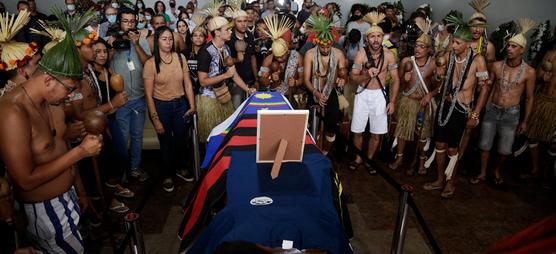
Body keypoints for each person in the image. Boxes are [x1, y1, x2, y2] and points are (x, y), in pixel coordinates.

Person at [0, 10, 102, 252]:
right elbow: (24, 180)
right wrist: (81, 153)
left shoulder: (53, 103)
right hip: (44, 210)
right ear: (47, 80)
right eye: (69, 89)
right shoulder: (12, 113)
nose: (70, 96)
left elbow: (61, 148)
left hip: (69, 198)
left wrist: (81, 190)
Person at [422, 17, 489, 198]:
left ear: (468, 44)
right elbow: (440, 81)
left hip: (462, 109)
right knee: (440, 144)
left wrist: (475, 114)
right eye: (453, 41)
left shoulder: (478, 60)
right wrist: (437, 81)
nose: (453, 45)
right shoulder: (449, 56)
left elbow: (484, 89)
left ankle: (451, 182)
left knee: (454, 149)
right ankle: (439, 179)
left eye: (458, 43)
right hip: (445, 104)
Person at [471, 19, 536, 185]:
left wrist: (525, 121)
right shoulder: (498, 66)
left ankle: (496, 169)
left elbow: (529, 97)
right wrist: (479, 109)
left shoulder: (529, 72)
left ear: (522, 50)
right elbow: (487, 87)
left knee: (505, 149)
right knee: (484, 144)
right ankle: (483, 172)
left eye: (514, 47)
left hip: (512, 113)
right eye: (508, 46)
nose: (509, 49)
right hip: (493, 109)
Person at [143, 26, 197, 192]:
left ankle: (181, 168)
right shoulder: (151, 64)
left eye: (170, 39)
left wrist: (192, 105)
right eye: (164, 39)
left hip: (180, 104)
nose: (168, 42)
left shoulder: (180, 58)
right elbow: (148, 94)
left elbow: (187, 83)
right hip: (161, 107)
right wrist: (156, 119)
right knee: (166, 143)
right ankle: (167, 174)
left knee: (181, 140)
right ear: (157, 41)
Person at [349, 12, 399, 173]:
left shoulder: (390, 55)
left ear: (382, 37)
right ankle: (357, 158)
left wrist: (392, 101)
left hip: (379, 95)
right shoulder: (361, 54)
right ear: (367, 38)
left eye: (379, 36)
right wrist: (365, 74)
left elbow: (396, 80)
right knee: (357, 130)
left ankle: (369, 159)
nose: (376, 39)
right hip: (362, 94)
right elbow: (353, 77)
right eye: (372, 37)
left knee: (376, 133)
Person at [389, 19, 438, 175]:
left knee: (422, 135)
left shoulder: (434, 64)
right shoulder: (406, 61)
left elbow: (441, 86)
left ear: (429, 49)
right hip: (408, 101)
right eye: (416, 46)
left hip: (423, 104)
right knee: (402, 131)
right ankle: (399, 158)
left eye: (422, 47)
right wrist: (405, 79)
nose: (417, 49)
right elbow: (398, 81)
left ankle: (421, 161)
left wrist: (431, 94)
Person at [109, 8, 151, 182]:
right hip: (121, 100)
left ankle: (134, 168)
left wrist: (136, 43)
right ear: (120, 23)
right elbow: (103, 65)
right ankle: (122, 173)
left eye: (133, 21)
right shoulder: (111, 41)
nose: (129, 24)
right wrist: (112, 45)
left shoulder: (142, 41)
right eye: (126, 21)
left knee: (137, 136)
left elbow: (148, 63)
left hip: (139, 98)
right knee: (122, 138)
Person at [197, 16, 254, 142]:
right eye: (227, 30)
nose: (230, 32)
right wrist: (225, 76)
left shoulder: (226, 48)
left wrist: (247, 89)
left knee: (226, 137)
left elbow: (233, 74)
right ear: (217, 32)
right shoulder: (205, 52)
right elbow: (202, 81)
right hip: (209, 99)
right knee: (212, 138)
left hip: (224, 96)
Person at [303, 13, 348, 155]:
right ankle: (312, 149)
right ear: (317, 42)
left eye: (328, 46)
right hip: (314, 91)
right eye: (322, 46)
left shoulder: (338, 54)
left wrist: (343, 79)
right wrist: (316, 93)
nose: (325, 49)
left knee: (331, 124)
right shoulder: (309, 54)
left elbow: (343, 72)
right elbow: (306, 80)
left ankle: (326, 151)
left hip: (331, 92)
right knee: (311, 123)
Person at [523, 49, 556, 185]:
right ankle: (535, 170)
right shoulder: (550, 54)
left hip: (555, 105)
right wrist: (543, 77)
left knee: (553, 143)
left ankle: (547, 173)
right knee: (532, 136)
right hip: (541, 100)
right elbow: (535, 77)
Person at [259, 15, 304, 108]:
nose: (280, 59)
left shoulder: (297, 57)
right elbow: (262, 79)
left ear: (287, 50)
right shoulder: (268, 60)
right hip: (272, 98)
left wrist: (296, 82)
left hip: (290, 97)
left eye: (282, 56)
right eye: (277, 57)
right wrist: (270, 79)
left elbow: (302, 79)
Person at [226, 9, 258, 108]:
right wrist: (237, 60)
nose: (243, 24)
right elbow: (225, 62)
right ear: (234, 22)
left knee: (251, 110)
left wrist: (256, 78)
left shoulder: (250, 36)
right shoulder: (229, 38)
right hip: (235, 83)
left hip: (250, 81)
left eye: (245, 21)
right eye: (239, 21)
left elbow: (252, 57)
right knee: (237, 111)